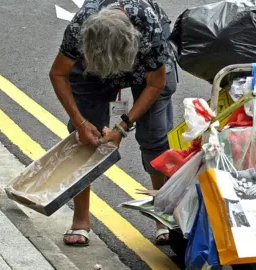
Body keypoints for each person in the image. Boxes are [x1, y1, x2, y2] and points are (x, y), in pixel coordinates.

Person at [49, 0, 177, 246]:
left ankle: (162, 211)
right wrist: (80, 121)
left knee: (155, 138)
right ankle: (81, 219)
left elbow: (156, 83)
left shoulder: (149, 29)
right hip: (91, 71)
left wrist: (123, 126)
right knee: (84, 139)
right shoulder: (80, 28)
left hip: (146, 69)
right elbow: (58, 73)